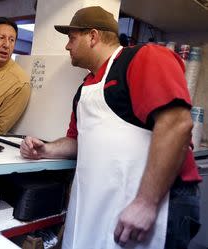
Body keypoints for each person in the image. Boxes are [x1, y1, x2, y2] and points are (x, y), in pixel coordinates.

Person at [20, 6, 201, 249]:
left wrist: (146, 203)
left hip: (160, 201)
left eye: (72, 39)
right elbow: (77, 140)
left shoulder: (143, 58)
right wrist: (45, 150)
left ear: (93, 36)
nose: (67, 46)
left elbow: (177, 124)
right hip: (106, 202)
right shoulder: (85, 89)